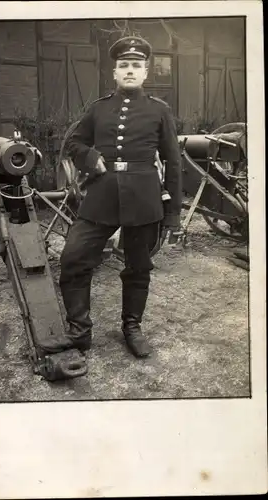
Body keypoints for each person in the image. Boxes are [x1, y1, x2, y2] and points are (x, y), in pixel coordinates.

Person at [58, 35, 183, 359]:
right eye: (124, 65)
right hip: (101, 195)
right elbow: (74, 142)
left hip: (144, 199)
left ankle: (132, 327)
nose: (130, 70)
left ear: (145, 72)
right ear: (114, 72)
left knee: (138, 267)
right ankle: (79, 332)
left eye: (136, 65)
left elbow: (173, 162)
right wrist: (89, 157)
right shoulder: (98, 108)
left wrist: (173, 216)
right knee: (73, 258)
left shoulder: (159, 111)